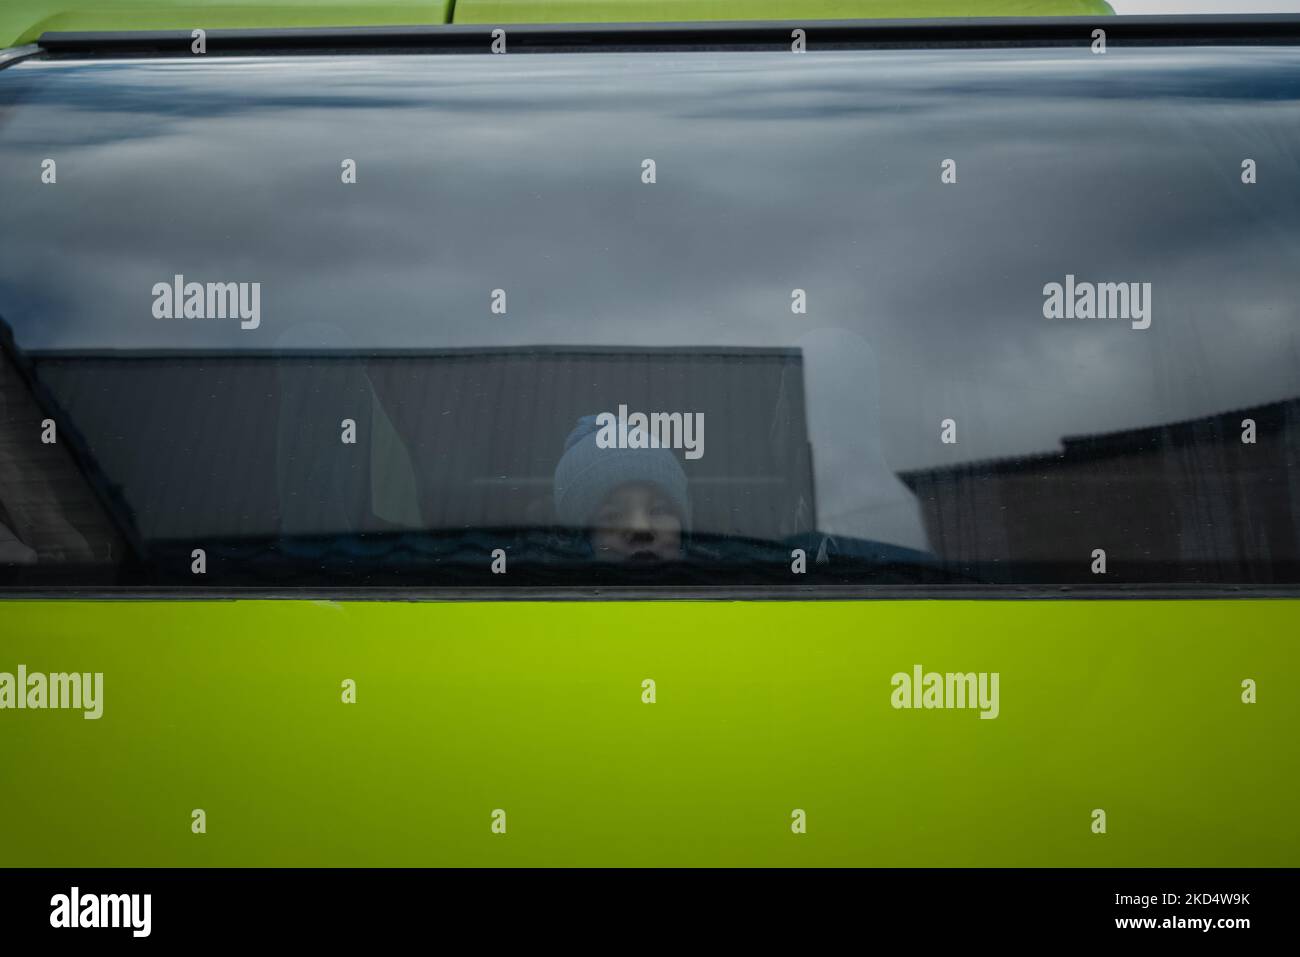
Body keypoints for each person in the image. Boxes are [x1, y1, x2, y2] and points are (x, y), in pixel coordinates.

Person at [553, 415, 691, 563]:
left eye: (659, 510)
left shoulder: (715, 579)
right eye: (612, 516)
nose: (640, 528)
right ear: (581, 540)